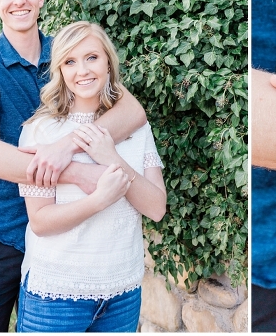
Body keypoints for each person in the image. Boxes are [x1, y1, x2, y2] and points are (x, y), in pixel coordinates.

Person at [0, 0, 147, 332]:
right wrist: (75, 173)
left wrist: (65, 146)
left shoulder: (68, 55)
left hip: (66, 237)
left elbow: (133, 110)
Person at [15, 21, 166, 332]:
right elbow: (41, 221)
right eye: (70, 61)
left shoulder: (136, 127)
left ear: (108, 61)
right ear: (60, 70)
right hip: (56, 295)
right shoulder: (40, 131)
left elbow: (156, 208)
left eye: (92, 57)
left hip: (122, 292)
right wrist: (97, 201)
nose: (82, 70)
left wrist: (111, 158)